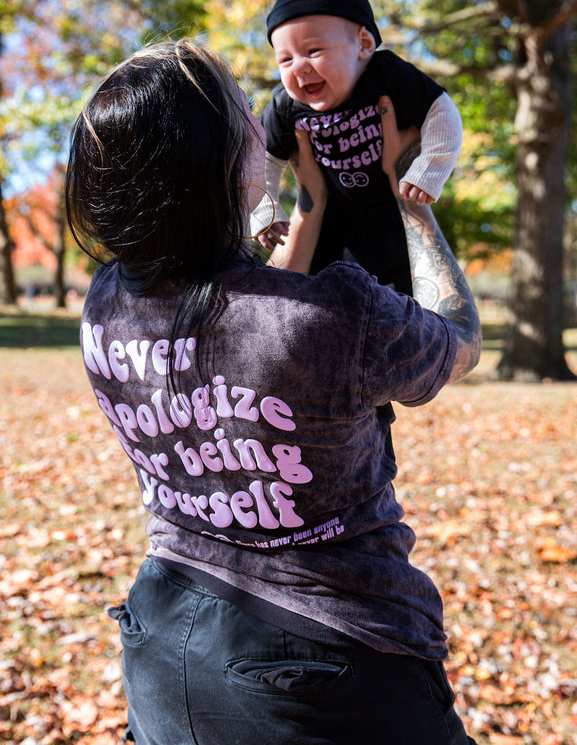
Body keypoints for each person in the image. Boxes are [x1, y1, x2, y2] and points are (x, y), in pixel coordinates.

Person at [66, 38, 481, 745]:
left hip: (162, 641)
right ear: (223, 165)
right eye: (243, 114)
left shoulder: (105, 305)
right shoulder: (333, 315)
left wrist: (310, 199)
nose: (266, 124)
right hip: (331, 671)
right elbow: (460, 340)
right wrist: (412, 198)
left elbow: (254, 298)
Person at [252, 0, 463, 293]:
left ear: (364, 45)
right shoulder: (286, 107)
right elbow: (261, 156)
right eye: (285, 60)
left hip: (394, 221)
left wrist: (431, 168)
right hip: (333, 229)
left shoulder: (387, 76)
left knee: (408, 302)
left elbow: (442, 110)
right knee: (320, 299)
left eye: (313, 50)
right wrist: (265, 210)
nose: (299, 68)